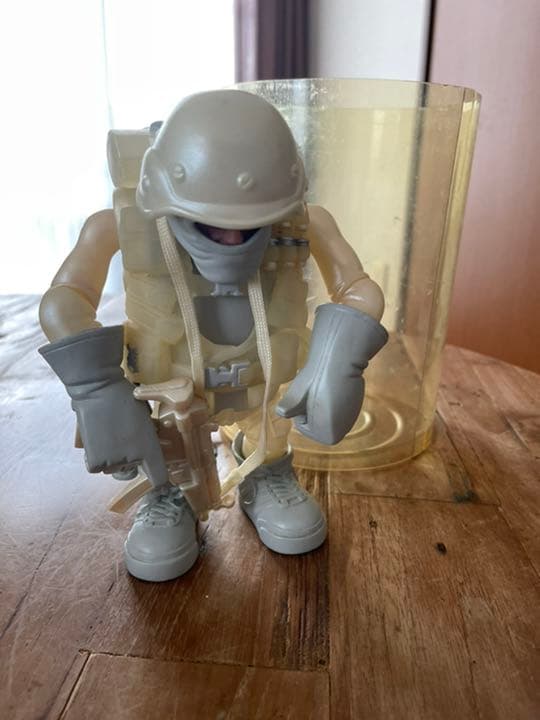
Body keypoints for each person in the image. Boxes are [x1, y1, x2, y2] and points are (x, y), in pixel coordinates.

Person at [39, 89, 387, 582]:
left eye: (251, 224)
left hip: (265, 390)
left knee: (269, 432)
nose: (231, 238)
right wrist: (95, 387)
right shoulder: (119, 225)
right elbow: (64, 299)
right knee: (167, 455)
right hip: (169, 396)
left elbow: (358, 289)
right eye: (209, 223)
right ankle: (168, 492)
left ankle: (266, 470)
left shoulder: (306, 221)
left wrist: (340, 355)